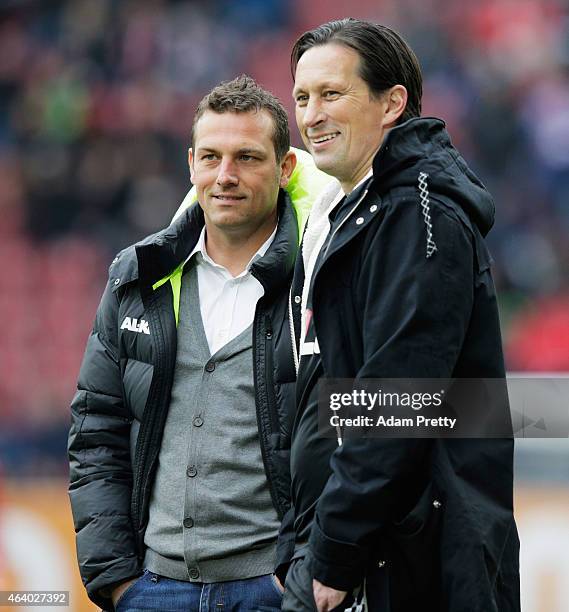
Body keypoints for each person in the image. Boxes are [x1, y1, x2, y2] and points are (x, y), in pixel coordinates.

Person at [282, 18, 521, 612]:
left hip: (402, 560)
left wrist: (334, 549)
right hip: (370, 545)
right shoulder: (351, 210)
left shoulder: (416, 216)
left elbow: (399, 400)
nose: (311, 116)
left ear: (392, 104)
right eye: (303, 98)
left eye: (331, 94)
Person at [68, 75, 330, 611]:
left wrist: (301, 575)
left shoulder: (321, 281)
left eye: (247, 158)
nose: (225, 176)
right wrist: (117, 580)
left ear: (285, 170)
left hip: (273, 590)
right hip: (151, 589)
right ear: (191, 164)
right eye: (211, 157)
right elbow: (96, 432)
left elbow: (348, 438)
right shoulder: (138, 279)